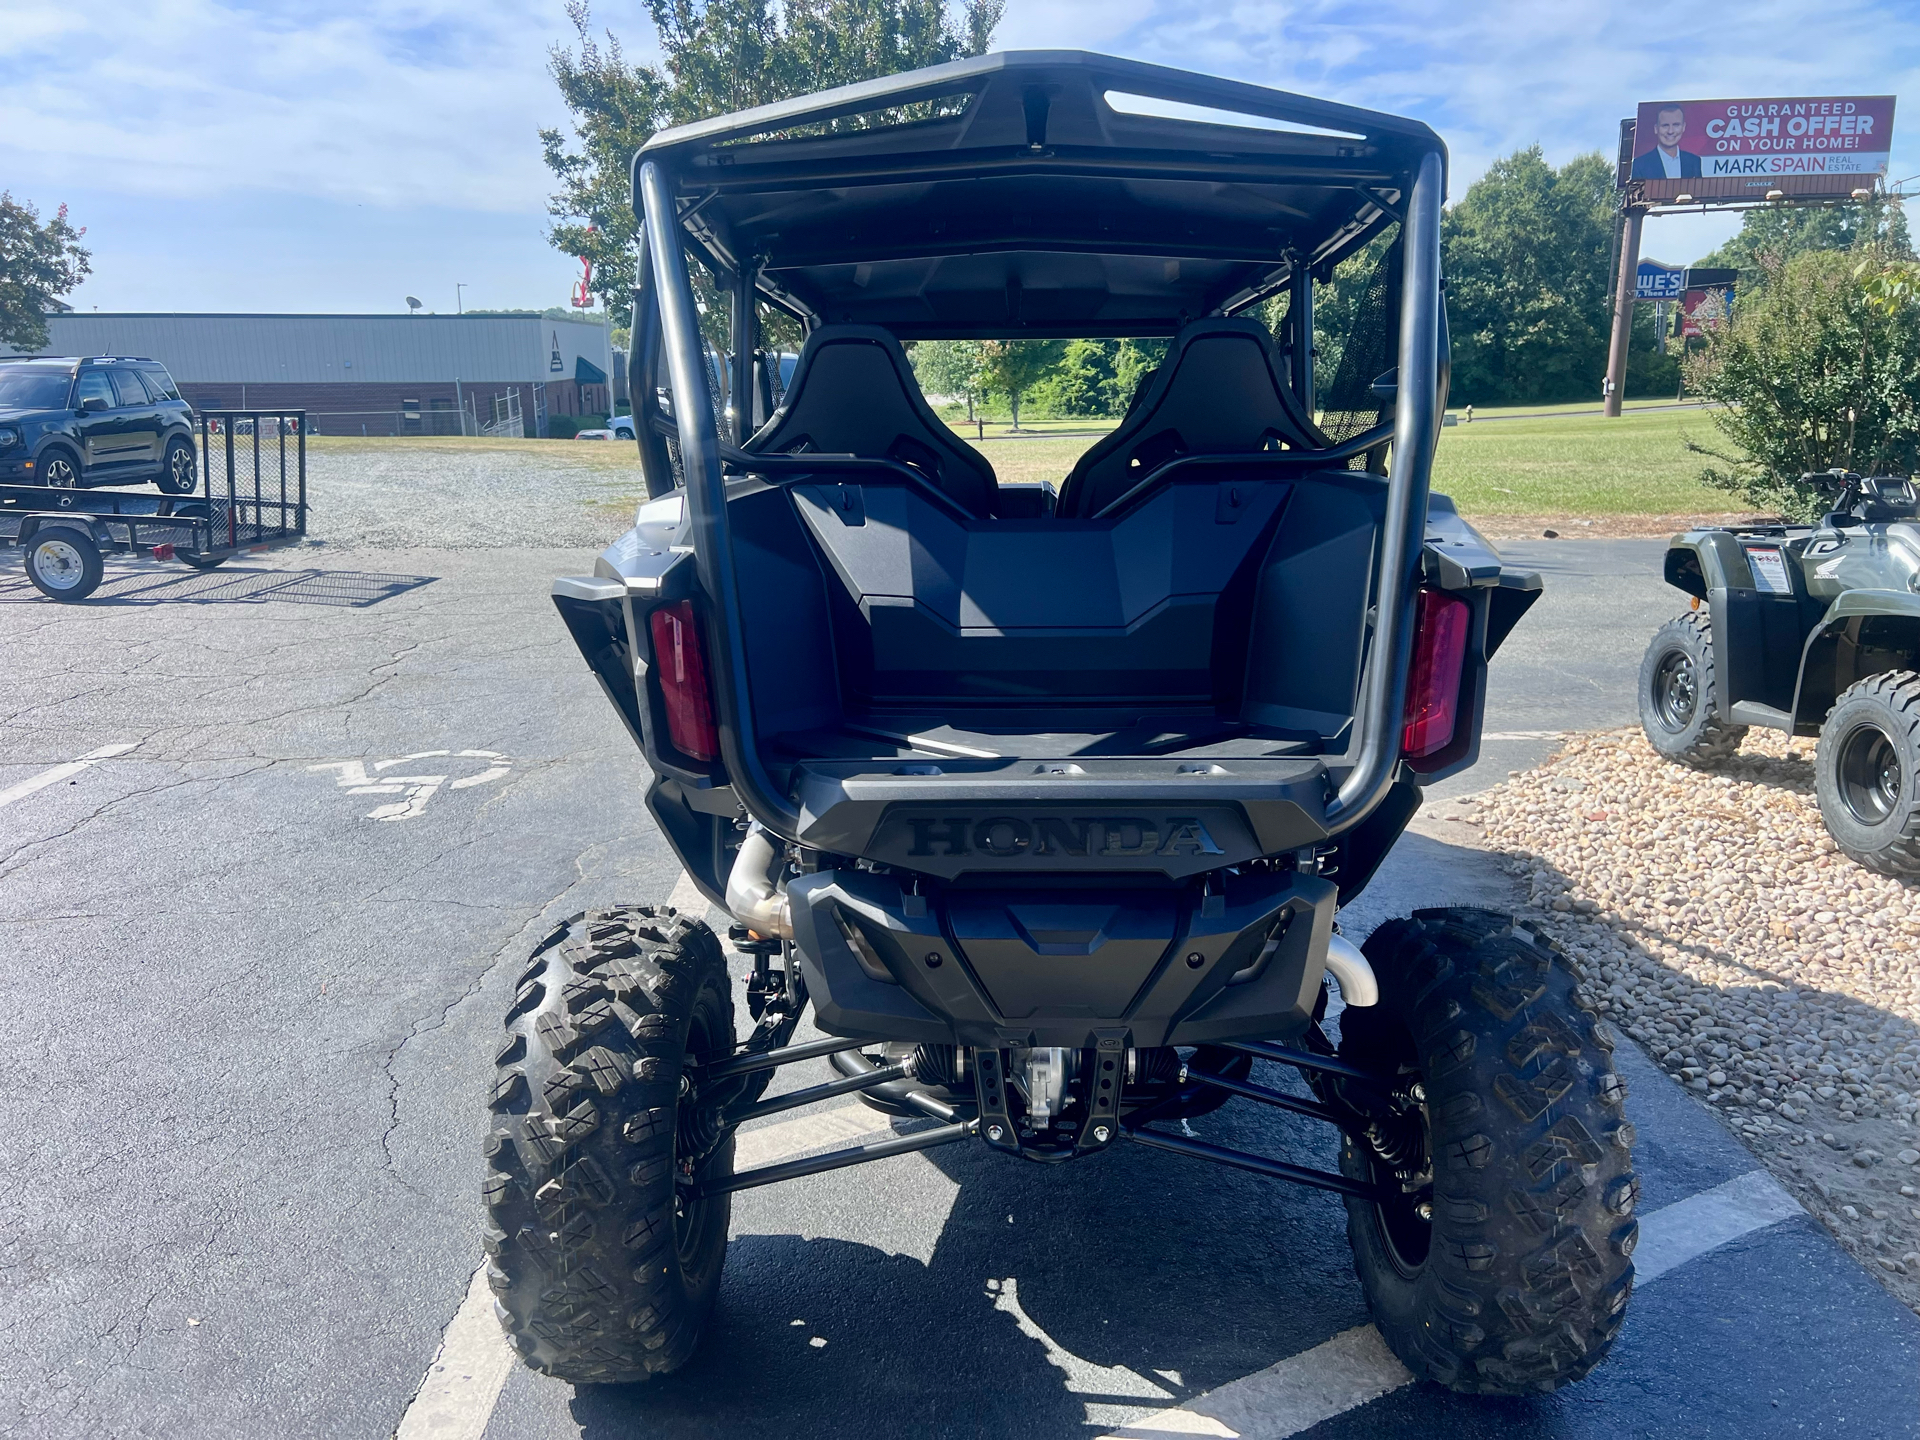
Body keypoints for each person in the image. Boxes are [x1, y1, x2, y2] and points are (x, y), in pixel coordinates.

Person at [1631, 105, 1703, 179]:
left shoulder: (1694, 161)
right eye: (1665, 125)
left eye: (1676, 125)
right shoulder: (1640, 164)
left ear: (1683, 127)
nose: (1670, 131)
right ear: (1656, 129)